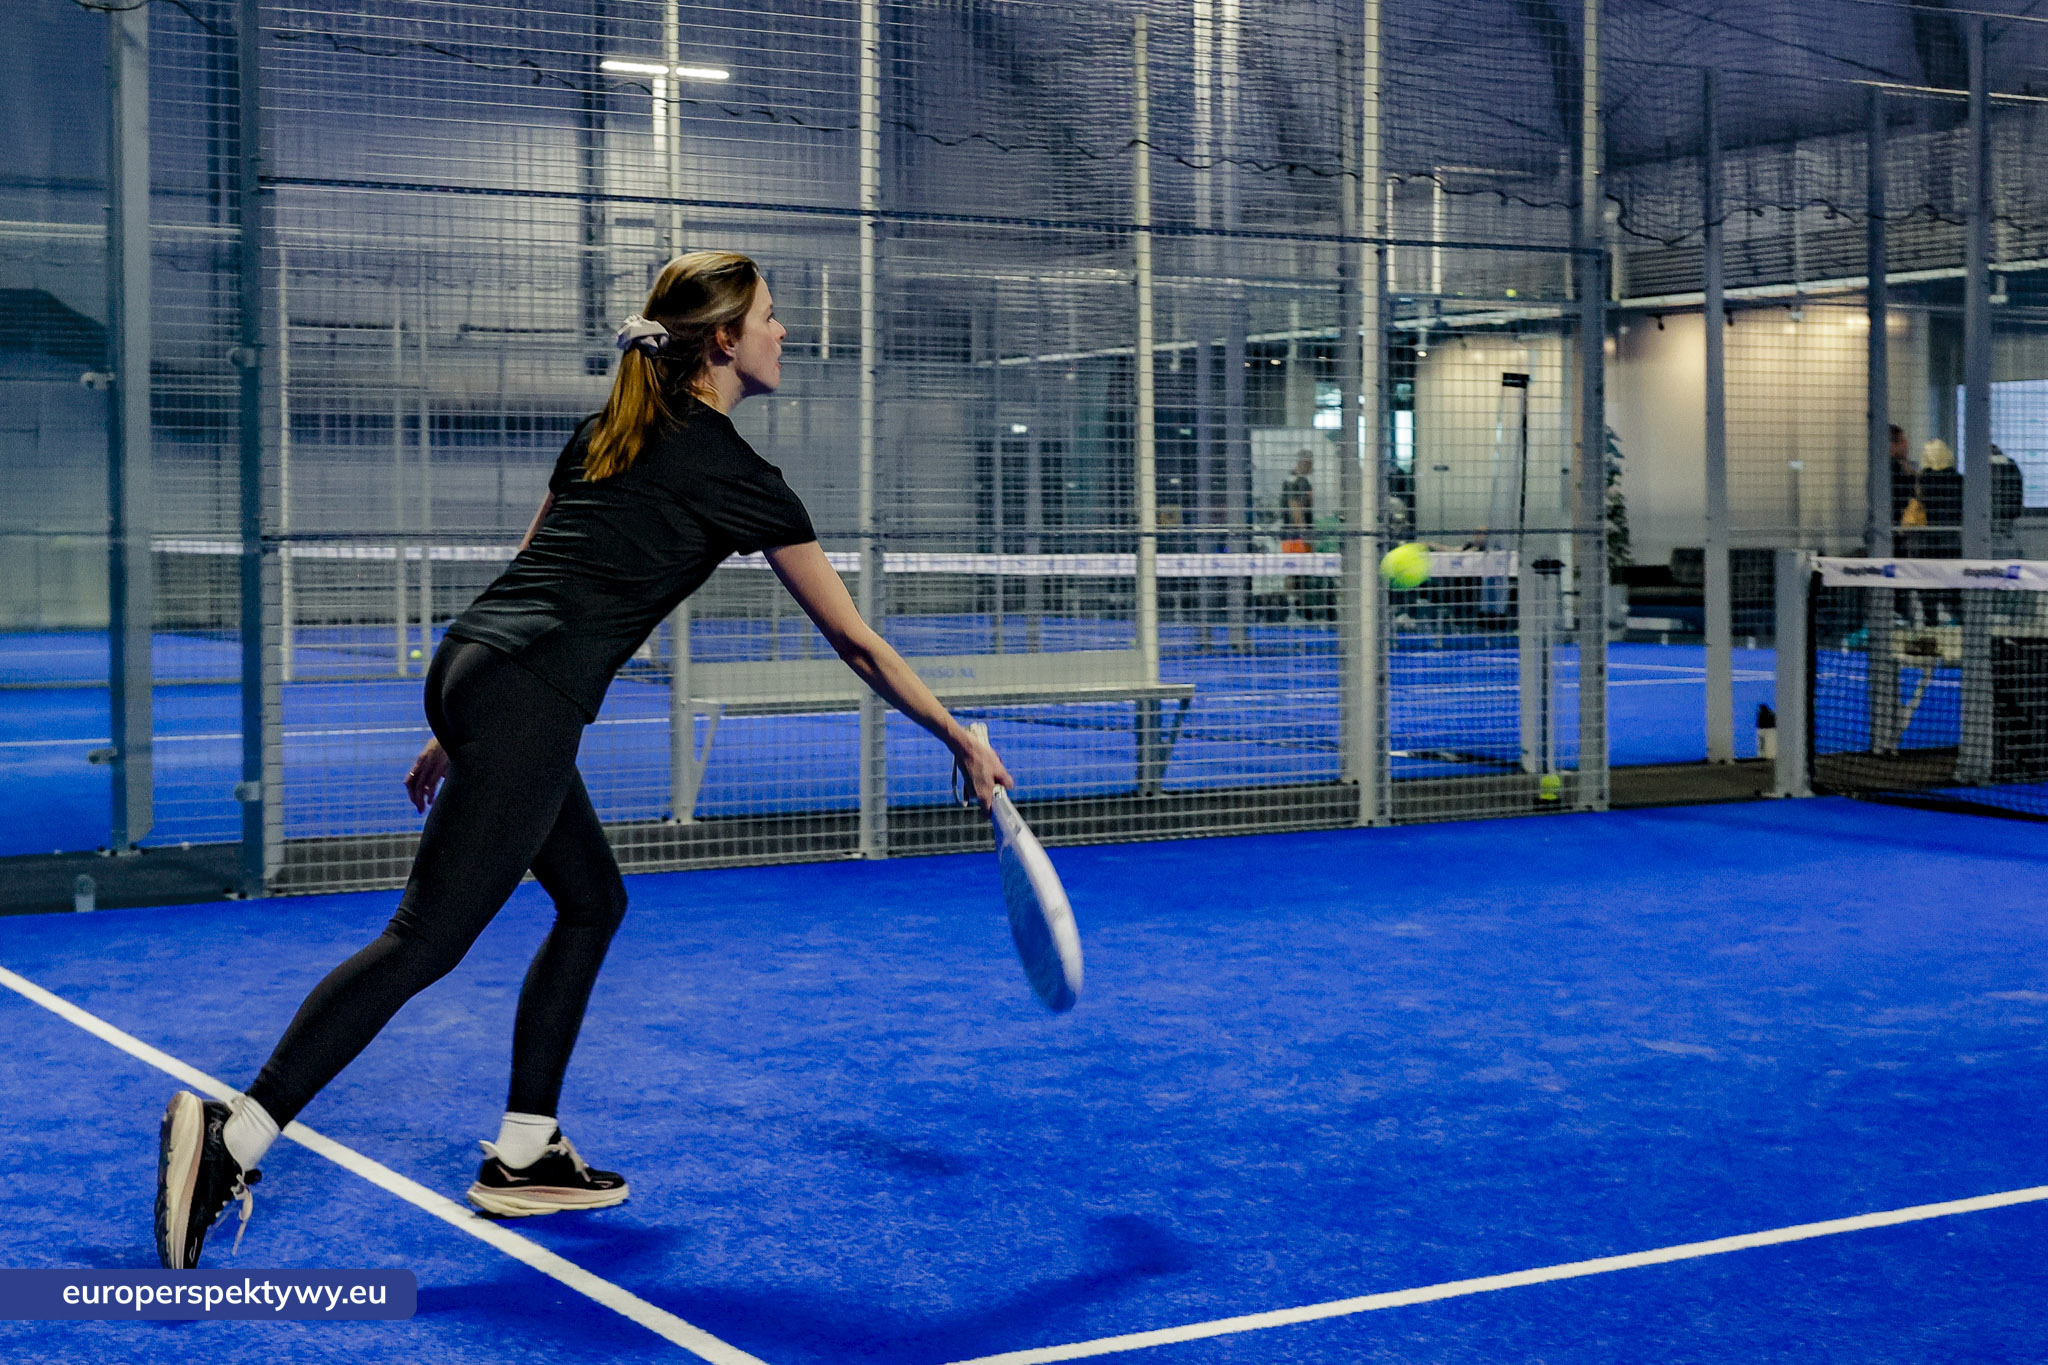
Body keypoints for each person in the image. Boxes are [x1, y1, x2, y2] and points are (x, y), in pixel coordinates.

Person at [152, 251, 1015, 1270]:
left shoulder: (607, 434)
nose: (788, 334)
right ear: (725, 341)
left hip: (476, 667)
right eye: (774, 318)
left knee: (592, 902)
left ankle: (525, 1152)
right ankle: (238, 1136)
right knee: (426, 938)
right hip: (524, 696)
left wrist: (457, 722)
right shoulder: (739, 476)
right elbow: (856, 643)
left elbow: (531, 569)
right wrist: (957, 736)